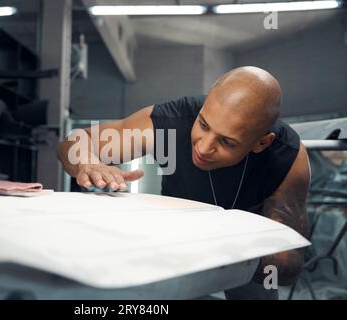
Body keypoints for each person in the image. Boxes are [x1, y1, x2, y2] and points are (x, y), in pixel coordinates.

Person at [57, 66, 310, 299]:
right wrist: (87, 163)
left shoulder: (287, 156)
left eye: (227, 142)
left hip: (246, 255)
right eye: (203, 124)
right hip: (174, 247)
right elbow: (74, 142)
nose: (203, 146)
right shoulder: (170, 123)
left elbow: (288, 265)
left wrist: (221, 243)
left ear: (261, 142)